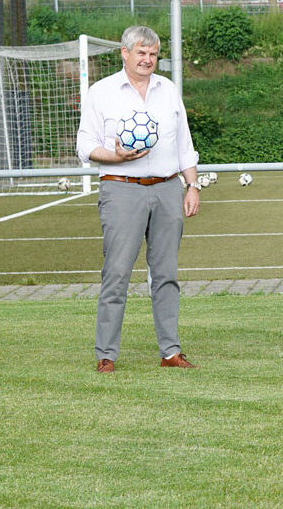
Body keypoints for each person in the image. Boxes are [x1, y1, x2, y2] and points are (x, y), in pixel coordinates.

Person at [77, 26, 200, 372]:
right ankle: (106, 354)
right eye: (141, 53)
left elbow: (183, 144)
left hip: (167, 188)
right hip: (121, 188)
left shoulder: (168, 89)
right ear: (124, 53)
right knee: (116, 274)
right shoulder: (102, 92)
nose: (147, 59)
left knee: (166, 274)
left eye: (153, 54)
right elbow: (84, 146)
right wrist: (114, 157)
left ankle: (170, 352)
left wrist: (192, 185)